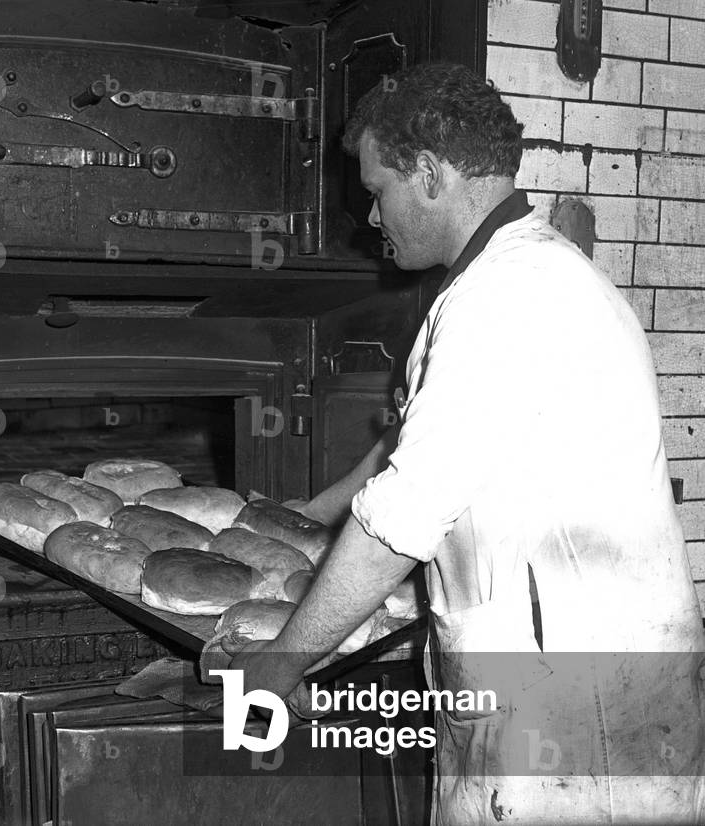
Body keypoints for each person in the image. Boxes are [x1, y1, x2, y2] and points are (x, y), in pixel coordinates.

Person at [230, 63, 705, 824]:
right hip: (559, 670)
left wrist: (278, 667)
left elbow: (404, 515)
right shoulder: (515, 275)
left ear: (428, 173)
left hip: (566, 693)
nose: (371, 219)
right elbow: (416, 449)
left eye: (375, 191)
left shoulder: (507, 298)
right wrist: (312, 514)